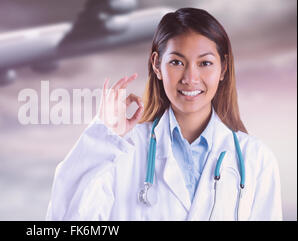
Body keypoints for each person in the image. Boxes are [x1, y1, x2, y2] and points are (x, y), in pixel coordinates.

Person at [46, 7, 282, 221]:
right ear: (157, 65)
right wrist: (102, 138)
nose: (190, 78)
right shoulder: (120, 150)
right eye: (177, 62)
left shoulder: (256, 160)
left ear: (224, 68)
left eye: (205, 63)